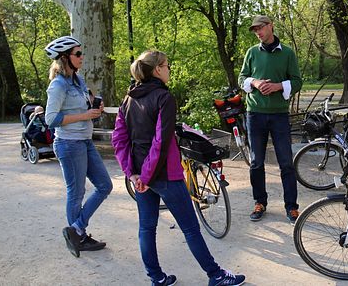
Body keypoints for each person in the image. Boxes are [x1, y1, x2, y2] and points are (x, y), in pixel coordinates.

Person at [112, 50, 245, 286]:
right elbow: (161, 141)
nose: (169, 69)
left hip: (142, 175)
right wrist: (143, 175)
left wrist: (132, 174)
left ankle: (157, 278)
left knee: (147, 228)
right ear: (157, 69)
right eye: (167, 65)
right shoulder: (164, 97)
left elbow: (119, 140)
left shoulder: (128, 99)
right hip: (164, 174)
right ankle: (216, 275)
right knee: (191, 229)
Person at [44, 36, 112, 258]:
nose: (82, 57)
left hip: (84, 140)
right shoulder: (58, 85)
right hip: (68, 143)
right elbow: (51, 119)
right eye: (78, 54)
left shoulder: (78, 80)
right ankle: (79, 237)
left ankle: (75, 229)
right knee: (76, 192)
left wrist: (96, 103)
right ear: (65, 58)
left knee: (104, 185)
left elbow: (87, 101)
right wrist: (84, 115)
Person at [239, 15, 303, 223]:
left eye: (260, 28)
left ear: (270, 26)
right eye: (255, 30)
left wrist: (277, 86)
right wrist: (255, 83)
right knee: (256, 162)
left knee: (286, 162)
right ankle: (260, 202)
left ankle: (291, 207)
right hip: (255, 114)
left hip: (279, 115)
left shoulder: (287, 53)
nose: (258, 32)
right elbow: (242, 78)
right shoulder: (251, 52)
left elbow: (297, 81)